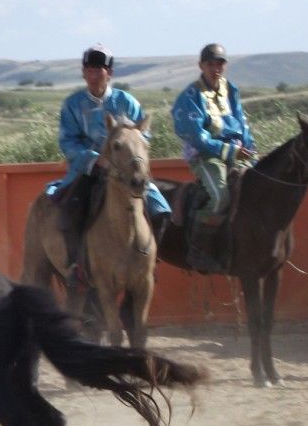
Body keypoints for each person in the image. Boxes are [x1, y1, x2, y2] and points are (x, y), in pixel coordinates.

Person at [48, 44, 172, 289]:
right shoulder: (73, 105)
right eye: (90, 70)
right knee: (70, 210)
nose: (94, 75)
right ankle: (77, 266)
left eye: (100, 70)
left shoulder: (127, 102)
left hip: (127, 172)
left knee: (161, 210)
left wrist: (129, 157)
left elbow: (143, 137)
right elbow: (67, 141)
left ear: (110, 73)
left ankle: (149, 262)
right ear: (83, 73)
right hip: (88, 170)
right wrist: (96, 159)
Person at [171, 43, 256, 272]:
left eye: (220, 63)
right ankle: (199, 250)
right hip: (205, 155)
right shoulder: (190, 96)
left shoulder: (231, 91)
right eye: (210, 64)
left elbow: (243, 125)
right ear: (201, 66)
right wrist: (228, 151)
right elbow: (197, 136)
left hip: (237, 153)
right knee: (220, 196)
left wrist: (251, 151)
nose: (215, 68)